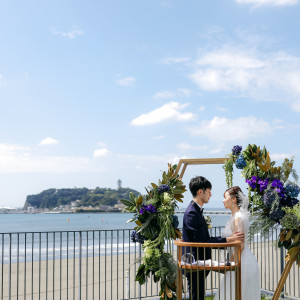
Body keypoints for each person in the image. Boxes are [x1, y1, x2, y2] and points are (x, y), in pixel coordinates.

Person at [182, 176, 244, 300]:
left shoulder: (196, 210)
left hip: (199, 263)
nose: (211, 195)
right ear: (201, 192)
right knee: (196, 296)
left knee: (198, 295)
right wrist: (228, 240)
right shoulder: (192, 213)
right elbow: (202, 242)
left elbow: (203, 238)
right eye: (209, 191)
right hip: (195, 262)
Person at [215, 186, 260, 300]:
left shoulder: (238, 218)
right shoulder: (235, 216)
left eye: (225, 197)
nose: (223, 201)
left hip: (241, 262)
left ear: (234, 199)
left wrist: (229, 263)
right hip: (239, 260)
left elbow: (240, 245)